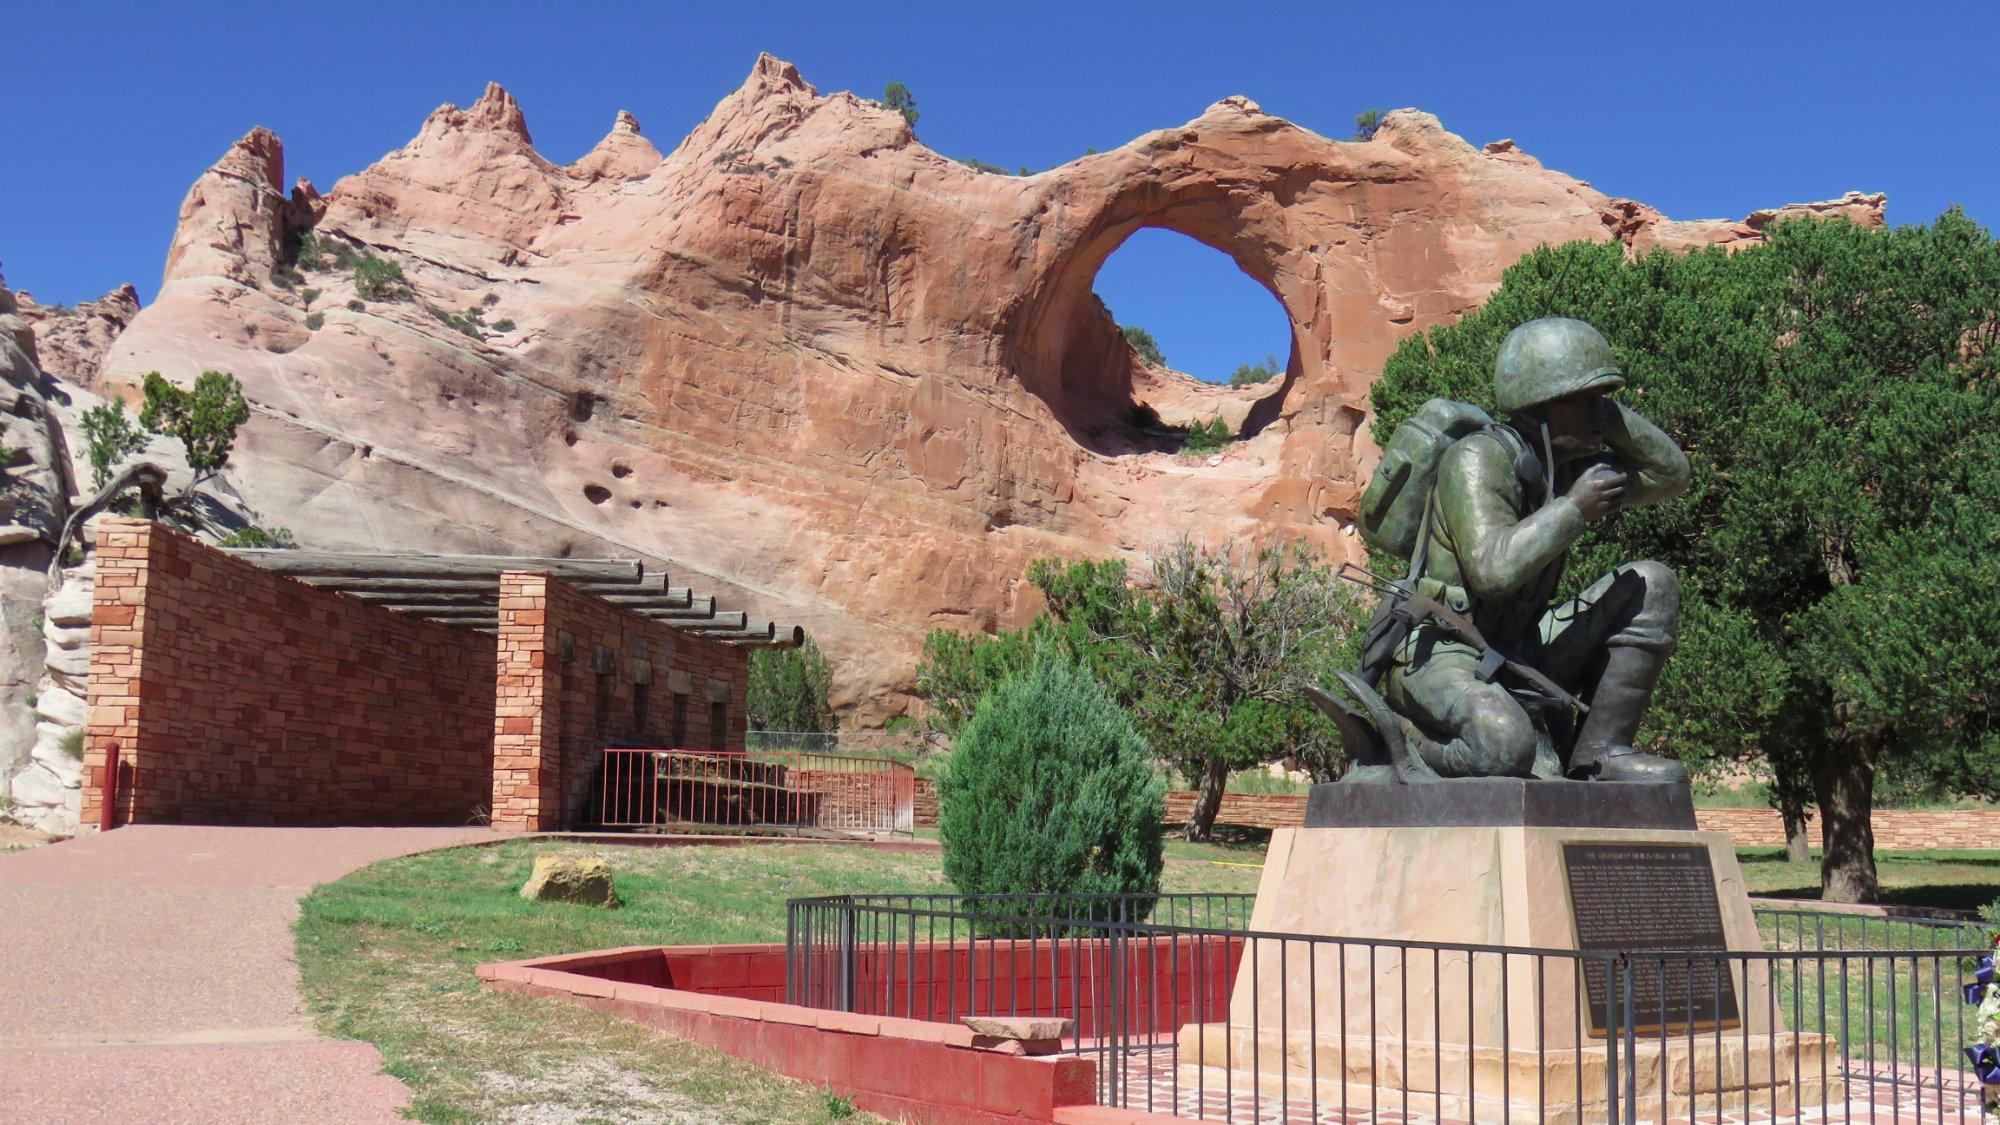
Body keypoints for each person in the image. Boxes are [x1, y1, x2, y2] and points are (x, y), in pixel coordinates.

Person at [1383, 317, 1691, 782]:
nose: (1599, 413)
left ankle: (1602, 755)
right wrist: (1574, 508)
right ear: (1539, 407)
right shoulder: (1476, 458)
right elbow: (1492, 571)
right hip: (1442, 651)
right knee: (1505, 746)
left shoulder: (1564, 468)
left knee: (1652, 584)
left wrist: (1607, 415)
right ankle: (1408, 742)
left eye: (1603, 400)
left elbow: (1671, 476)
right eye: (1584, 401)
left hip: (1522, 644)